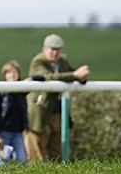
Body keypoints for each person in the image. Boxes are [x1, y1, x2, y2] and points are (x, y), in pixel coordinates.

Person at [24, 33, 91, 162]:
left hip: (57, 111)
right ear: (45, 49)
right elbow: (48, 77)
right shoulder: (38, 61)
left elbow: (73, 74)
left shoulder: (62, 61)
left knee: (57, 148)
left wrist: (83, 76)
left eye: (58, 49)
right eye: (52, 49)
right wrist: (76, 75)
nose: (55, 53)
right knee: (36, 147)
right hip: (39, 111)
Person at [0, 60, 28, 164]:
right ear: (5, 75)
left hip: (18, 132)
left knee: (22, 159)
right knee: (2, 161)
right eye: (9, 72)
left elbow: (41, 78)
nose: (12, 75)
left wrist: (30, 79)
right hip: (3, 132)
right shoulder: (0, 91)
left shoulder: (21, 90)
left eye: (15, 72)